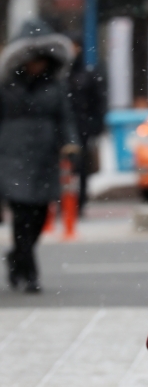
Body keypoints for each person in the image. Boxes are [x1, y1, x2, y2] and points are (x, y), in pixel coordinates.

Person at [0, 20, 79, 292]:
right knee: (22, 215)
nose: (37, 65)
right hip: (11, 155)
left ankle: (17, 257)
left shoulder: (56, 86)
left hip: (44, 156)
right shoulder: (6, 85)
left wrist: (70, 143)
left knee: (39, 214)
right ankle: (29, 272)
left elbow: (65, 118)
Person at [67, 34, 107, 215]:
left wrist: (95, 127)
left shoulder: (88, 75)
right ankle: (64, 203)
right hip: (65, 128)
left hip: (82, 128)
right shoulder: (60, 76)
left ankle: (79, 203)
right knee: (64, 167)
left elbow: (98, 103)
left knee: (81, 167)